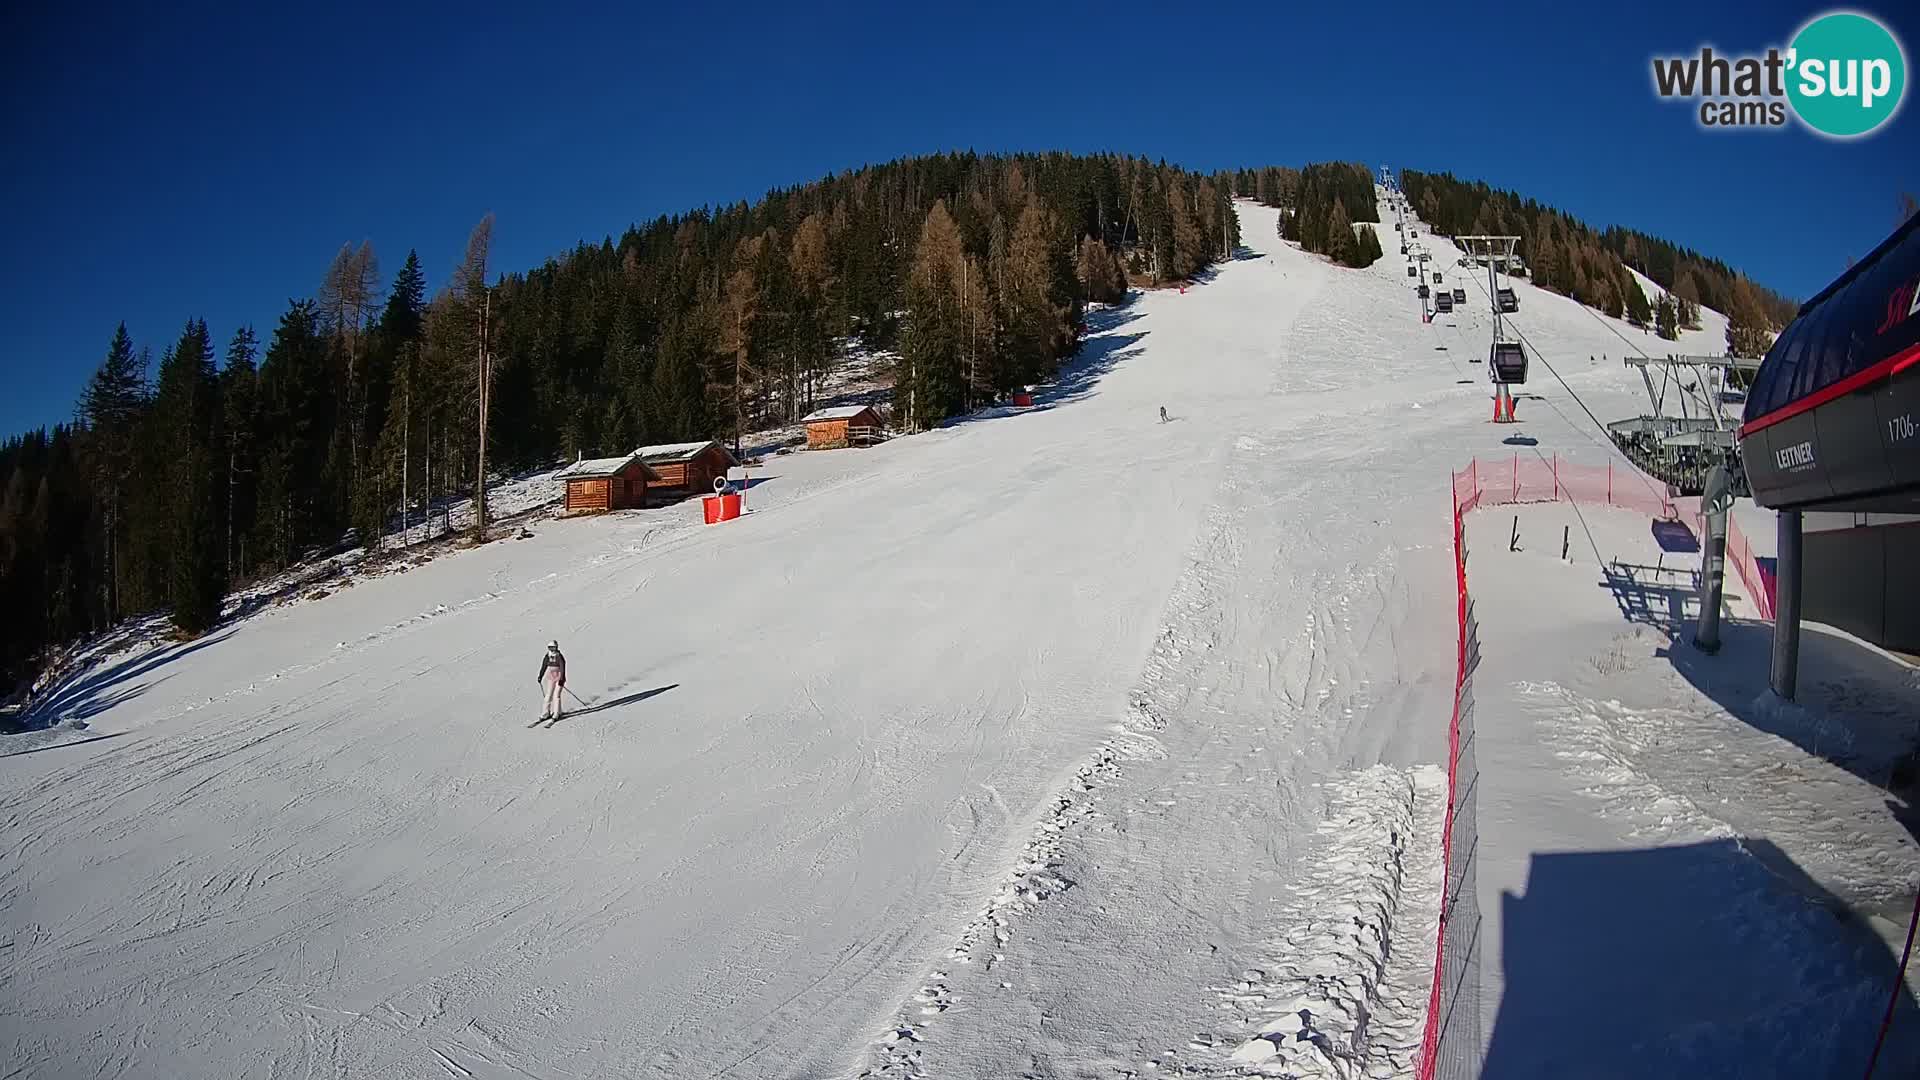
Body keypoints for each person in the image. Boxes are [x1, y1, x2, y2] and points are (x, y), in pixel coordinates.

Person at [536, 640, 567, 721]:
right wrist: (540, 676)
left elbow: (563, 668)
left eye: (554, 648)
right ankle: (545, 713)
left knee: (556, 695)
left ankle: (556, 714)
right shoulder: (548, 656)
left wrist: (562, 678)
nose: (552, 650)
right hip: (551, 678)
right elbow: (544, 666)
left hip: (559, 678)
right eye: (550, 648)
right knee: (548, 695)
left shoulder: (559, 656)